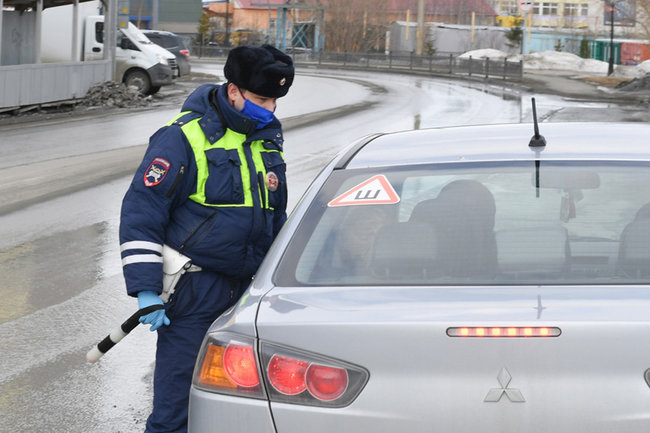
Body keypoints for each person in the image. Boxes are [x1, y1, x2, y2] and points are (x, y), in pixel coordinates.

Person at [118, 44, 294, 433]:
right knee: (176, 410)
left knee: (243, 405)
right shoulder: (182, 138)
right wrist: (146, 290)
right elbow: (142, 212)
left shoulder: (267, 139)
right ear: (233, 91)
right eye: (261, 100)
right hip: (194, 292)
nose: (270, 109)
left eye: (274, 102)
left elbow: (276, 216)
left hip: (250, 293)